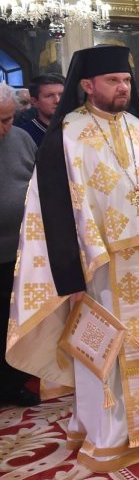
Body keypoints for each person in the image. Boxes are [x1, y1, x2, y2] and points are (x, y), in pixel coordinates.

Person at [7, 46, 139, 470]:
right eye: (114, 81)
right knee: (108, 351)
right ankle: (109, 430)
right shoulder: (67, 135)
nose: (122, 87)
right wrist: (69, 277)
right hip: (102, 268)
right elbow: (53, 212)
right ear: (88, 85)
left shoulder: (136, 127)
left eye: (127, 81)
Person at [0, 84, 39, 406]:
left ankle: (13, 384)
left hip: (19, 251)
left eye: (8, 119)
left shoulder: (22, 138)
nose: (3, 128)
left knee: (14, 321)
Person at [17, 73, 65, 146]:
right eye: (49, 96)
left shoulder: (77, 128)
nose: (57, 100)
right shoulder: (25, 135)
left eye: (61, 95)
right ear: (34, 102)